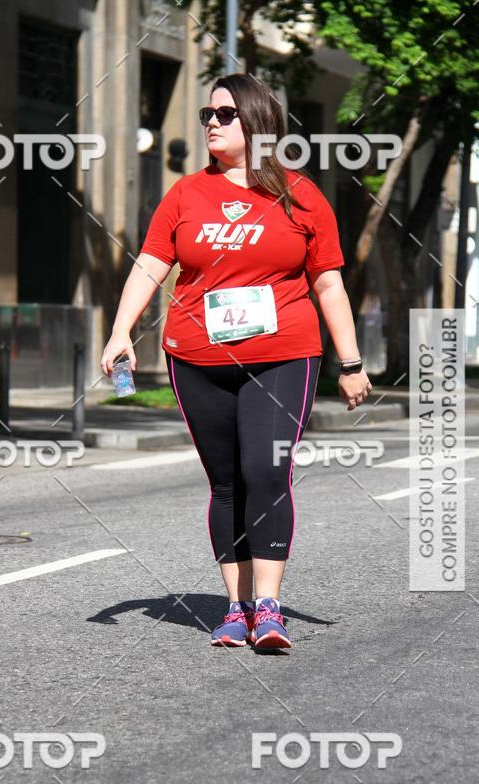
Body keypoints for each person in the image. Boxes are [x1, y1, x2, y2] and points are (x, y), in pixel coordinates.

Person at [101, 73, 372, 652]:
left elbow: (327, 285)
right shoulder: (184, 195)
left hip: (283, 354)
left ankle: (269, 609)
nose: (212, 124)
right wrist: (121, 330)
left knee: (267, 471)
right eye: (207, 115)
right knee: (225, 482)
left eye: (225, 114)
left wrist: (350, 362)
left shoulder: (301, 195)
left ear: (257, 123)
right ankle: (235, 607)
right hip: (195, 356)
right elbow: (151, 266)